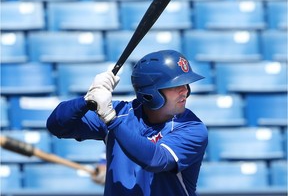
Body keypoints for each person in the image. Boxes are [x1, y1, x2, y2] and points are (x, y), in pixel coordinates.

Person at [47, 50, 208, 196]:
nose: (185, 91)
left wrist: (111, 119)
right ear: (150, 93)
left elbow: (156, 160)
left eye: (185, 84)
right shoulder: (121, 112)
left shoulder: (192, 128)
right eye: (175, 86)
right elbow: (57, 126)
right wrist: (86, 99)